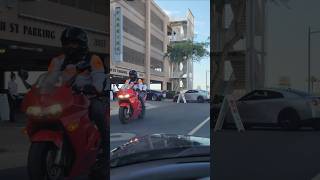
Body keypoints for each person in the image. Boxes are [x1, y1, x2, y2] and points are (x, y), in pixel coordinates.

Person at [44, 27, 108, 174]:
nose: (69, 46)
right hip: (64, 98)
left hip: (87, 97)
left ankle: (105, 147)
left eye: (73, 43)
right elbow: (50, 79)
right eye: (66, 43)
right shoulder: (58, 60)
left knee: (98, 111)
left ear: (82, 44)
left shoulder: (93, 59)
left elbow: (99, 77)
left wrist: (94, 87)